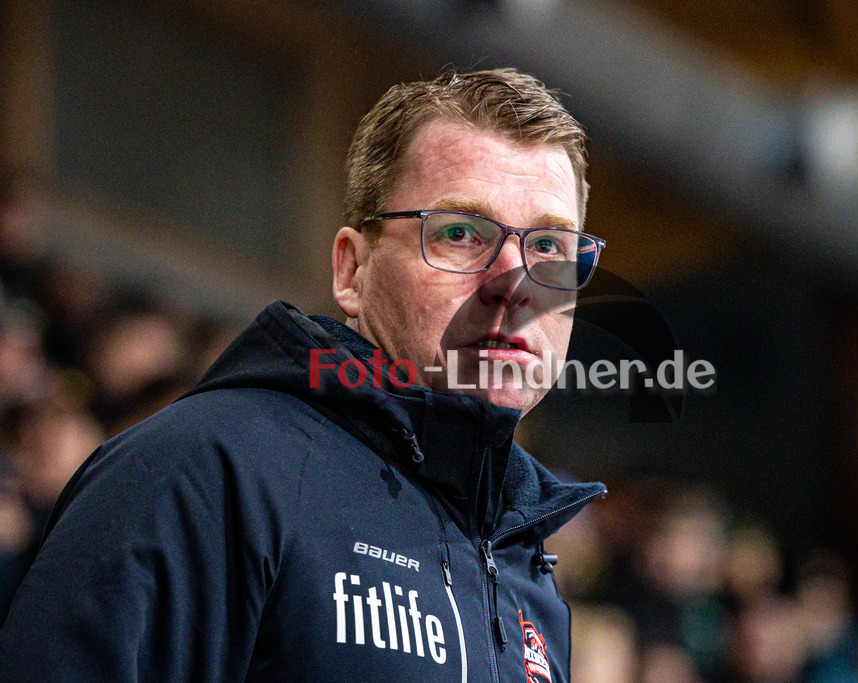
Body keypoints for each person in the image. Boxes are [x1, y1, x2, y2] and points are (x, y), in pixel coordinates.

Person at [0, 68, 608, 681]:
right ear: (351, 270)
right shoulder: (201, 472)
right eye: (458, 233)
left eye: (551, 248)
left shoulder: (526, 571)